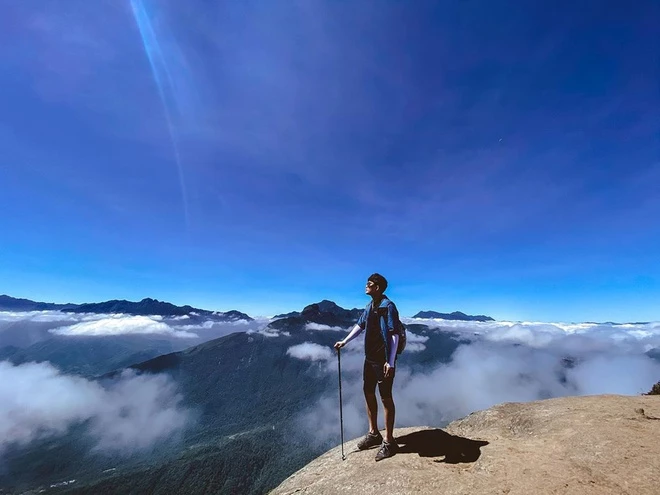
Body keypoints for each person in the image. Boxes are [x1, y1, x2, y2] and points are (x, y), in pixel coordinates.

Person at [334, 273, 400, 461]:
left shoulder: (388, 307)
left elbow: (394, 334)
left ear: (377, 287)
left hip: (383, 361)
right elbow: (360, 325)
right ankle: (374, 433)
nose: (366, 286)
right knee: (368, 392)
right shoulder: (370, 306)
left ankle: (388, 441)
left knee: (386, 397)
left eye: (369, 284)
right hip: (370, 359)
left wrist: (391, 361)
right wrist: (344, 341)